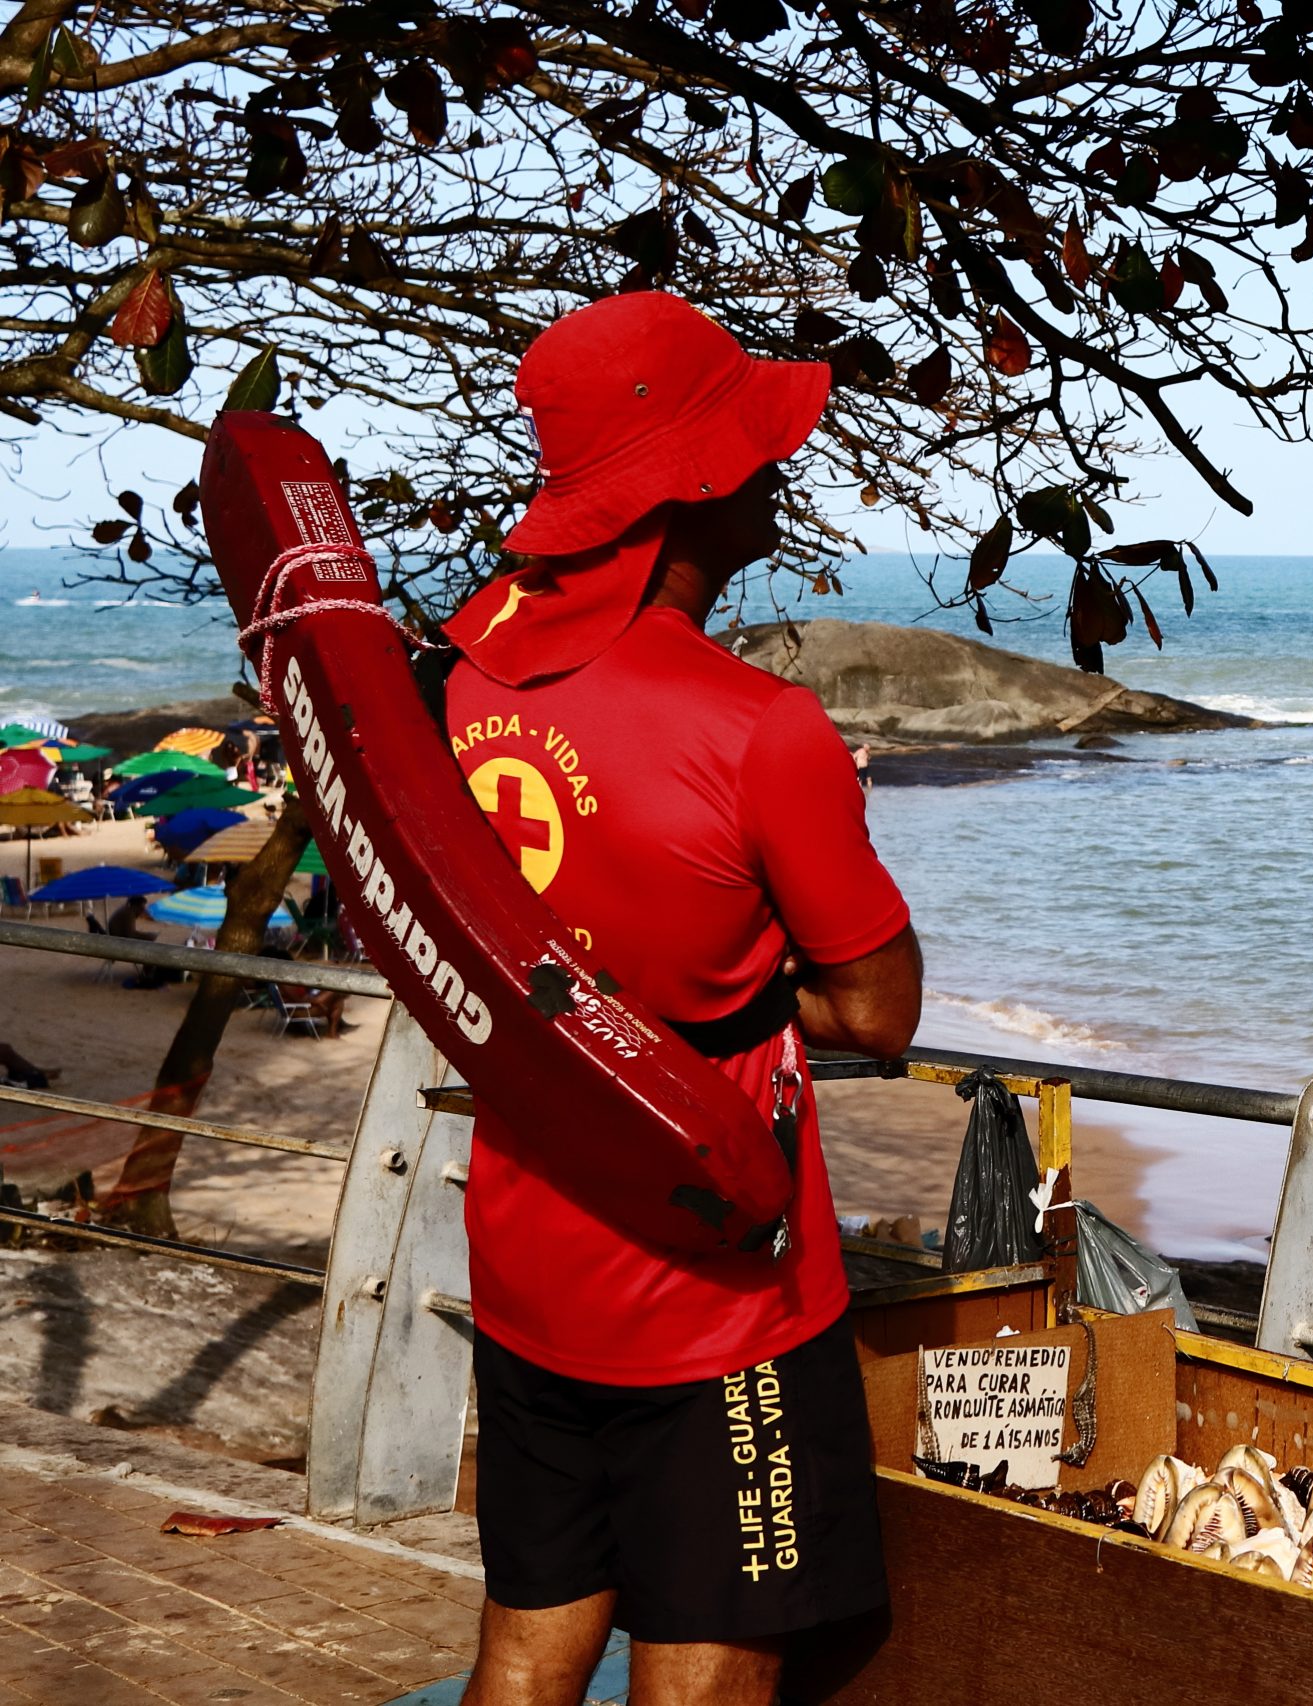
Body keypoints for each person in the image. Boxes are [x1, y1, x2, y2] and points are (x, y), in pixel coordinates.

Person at [440, 292, 923, 1706]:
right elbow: (878, 1009)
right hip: (715, 1291)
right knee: (708, 1672)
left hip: (525, 1250)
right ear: (692, 488)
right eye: (752, 444)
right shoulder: (760, 726)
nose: (781, 466)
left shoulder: (459, 690)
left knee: (525, 1644)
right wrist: (744, 987)